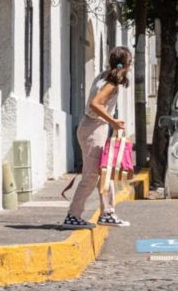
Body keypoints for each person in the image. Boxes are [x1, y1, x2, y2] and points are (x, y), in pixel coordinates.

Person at [61, 46, 132, 229]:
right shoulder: (111, 83)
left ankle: (107, 213)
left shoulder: (104, 76)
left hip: (92, 127)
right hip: (94, 129)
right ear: (127, 64)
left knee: (105, 172)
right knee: (92, 175)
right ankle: (73, 215)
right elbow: (95, 104)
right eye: (130, 63)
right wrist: (113, 121)